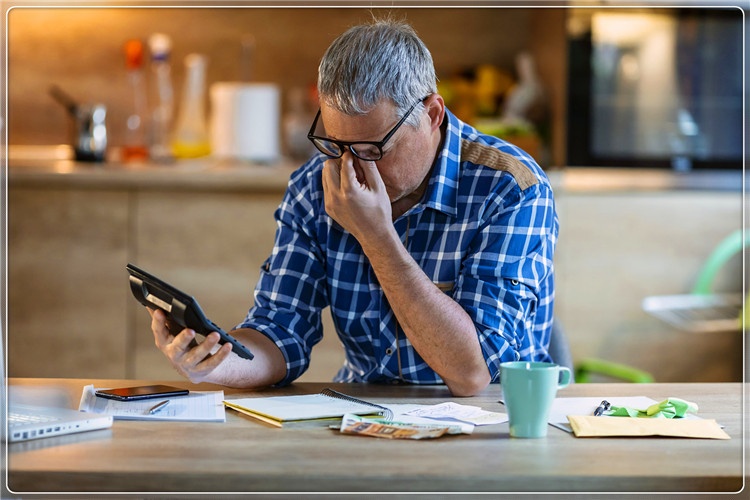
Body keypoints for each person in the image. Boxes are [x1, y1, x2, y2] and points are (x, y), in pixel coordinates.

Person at [149, 18, 558, 397]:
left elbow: (473, 374)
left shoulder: (511, 190)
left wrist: (376, 234)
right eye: (337, 146)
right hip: (366, 415)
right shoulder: (316, 184)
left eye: (373, 149)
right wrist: (216, 365)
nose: (353, 170)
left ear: (432, 114)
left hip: (497, 423)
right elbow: (279, 331)